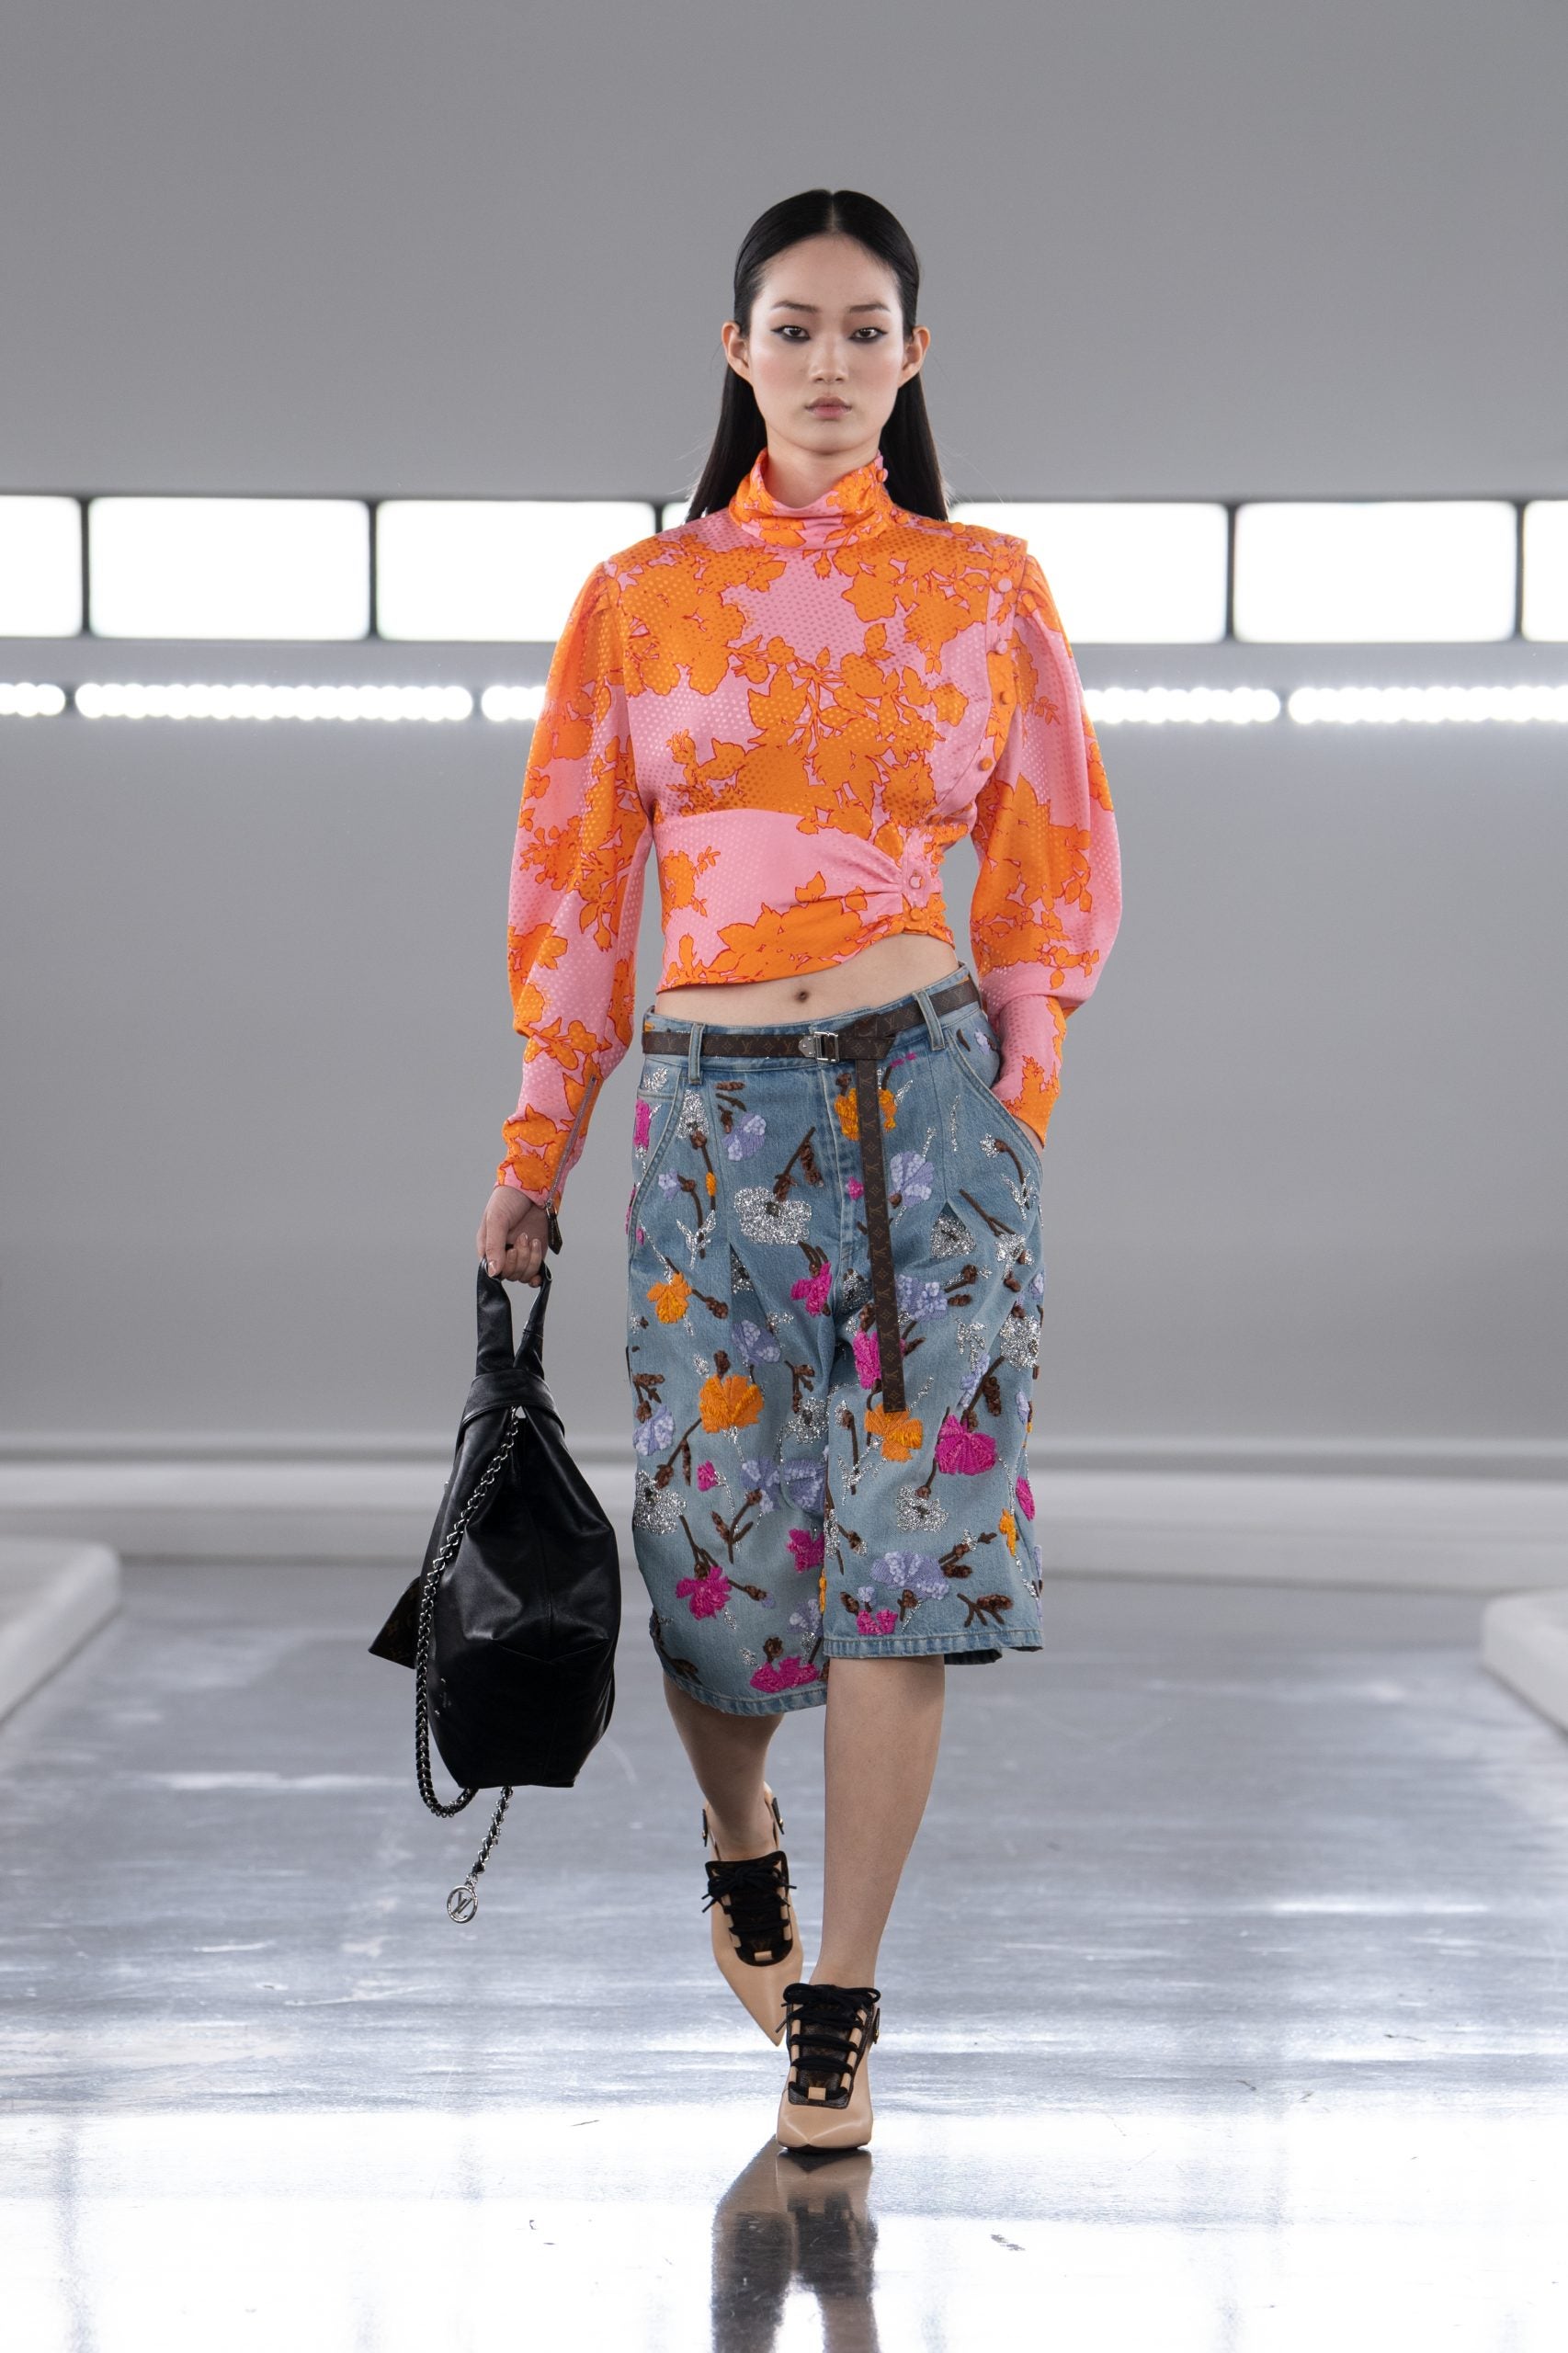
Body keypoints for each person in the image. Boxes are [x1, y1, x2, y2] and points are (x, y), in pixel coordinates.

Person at [475, 188, 1121, 2152]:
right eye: (793, 326)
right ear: (736, 349)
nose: (829, 361)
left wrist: (1015, 1108)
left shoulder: (983, 585)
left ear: (912, 356)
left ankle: (840, 1997)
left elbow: (1050, 861)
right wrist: (536, 1138)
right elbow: (576, 879)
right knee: (716, 1552)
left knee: (907, 1562)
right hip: (707, 1120)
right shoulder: (641, 598)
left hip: (923, 1113)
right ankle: (737, 1833)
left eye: (863, 330)